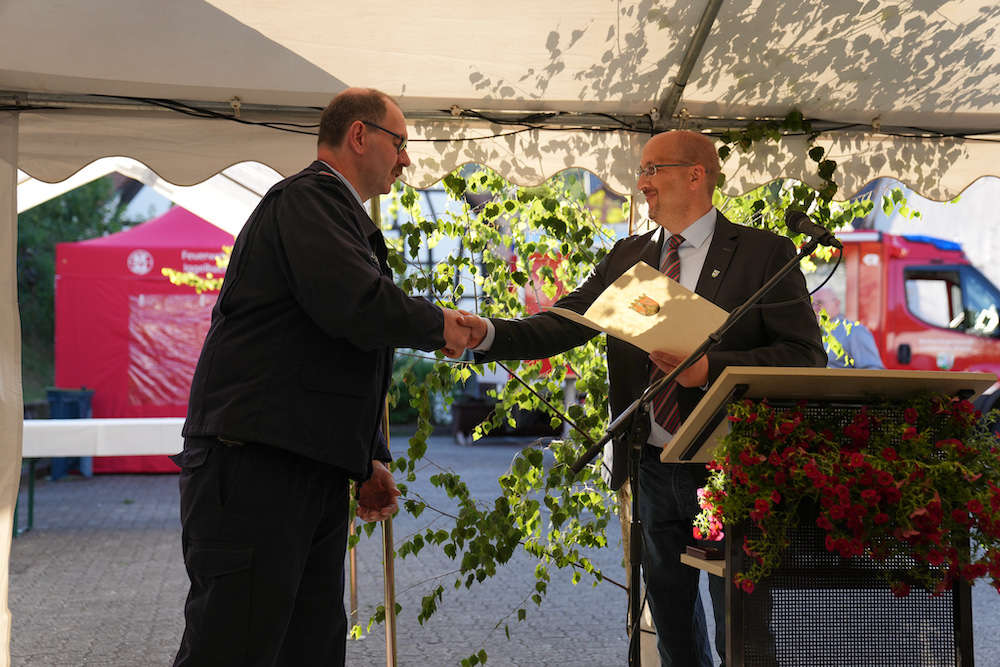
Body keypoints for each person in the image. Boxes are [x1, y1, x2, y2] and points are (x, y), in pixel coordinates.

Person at [458, 130, 826, 666]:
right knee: (672, 628)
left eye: (654, 169)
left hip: (730, 467)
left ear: (696, 175)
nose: (641, 182)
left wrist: (710, 370)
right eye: (643, 170)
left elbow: (804, 357)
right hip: (652, 464)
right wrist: (487, 333)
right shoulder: (629, 256)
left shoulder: (763, 254)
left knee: (740, 631)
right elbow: (564, 323)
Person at [170, 88, 472, 667]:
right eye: (399, 143)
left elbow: (337, 350)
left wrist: (368, 459)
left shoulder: (335, 213)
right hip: (256, 467)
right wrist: (442, 325)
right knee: (232, 648)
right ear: (359, 136)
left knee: (309, 647)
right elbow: (354, 305)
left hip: (301, 469)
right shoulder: (307, 199)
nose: (406, 160)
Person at [811, 287, 885, 369]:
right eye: (812, 304)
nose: (814, 308)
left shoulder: (854, 332)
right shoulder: (812, 333)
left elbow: (874, 371)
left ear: (837, 303)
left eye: (820, 303)